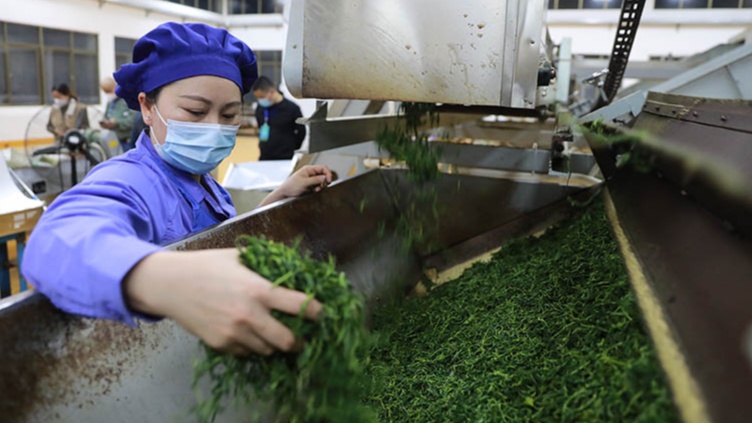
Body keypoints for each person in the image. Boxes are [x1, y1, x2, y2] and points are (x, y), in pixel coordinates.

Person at [22, 22, 332, 357]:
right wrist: (165, 280)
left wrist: (276, 200)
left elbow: (218, 241)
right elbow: (55, 241)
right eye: (195, 112)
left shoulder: (206, 183)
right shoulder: (130, 179)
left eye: (229, 114)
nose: (214, 128)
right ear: (147, 107)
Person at [252, 76, 306, 160]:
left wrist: (292, 147)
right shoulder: (260, 109)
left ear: (271, 92)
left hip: (285, 156)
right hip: (265, 155)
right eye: (258, 98)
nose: (260, 100)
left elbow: (301, 131)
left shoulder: (292, 109)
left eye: (262, 97)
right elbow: (260, 127)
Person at [99, 76, 137, 152]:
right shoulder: (110, 102)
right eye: (106, 92)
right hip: (113, 140)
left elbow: (134, 121)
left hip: (126, 141)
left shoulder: (128, 100)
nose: (108, 94)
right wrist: (106, 123)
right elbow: (106, 116)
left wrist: (116, 123)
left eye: (109, 91)